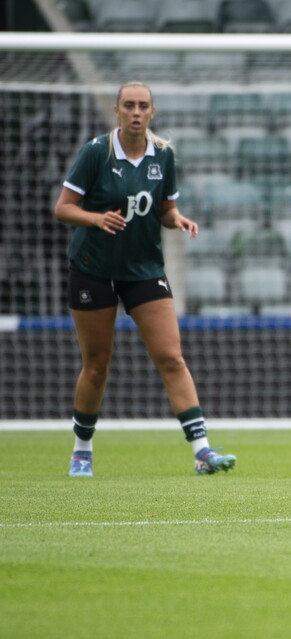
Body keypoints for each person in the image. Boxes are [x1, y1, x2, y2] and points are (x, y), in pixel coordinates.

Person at [55, 81, 237, 477]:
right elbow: (64, 208)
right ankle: (82, 450)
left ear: (152, 112)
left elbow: (165, 210)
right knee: (97, 364)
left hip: (143, 270)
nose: (136, 113)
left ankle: (202, 451)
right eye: (129, 105)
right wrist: (96, 218)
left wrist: (177, 219)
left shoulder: (163, 155)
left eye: (143, 106)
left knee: (171, 356)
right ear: (117, 110)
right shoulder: (96, 152)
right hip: (93, 269)